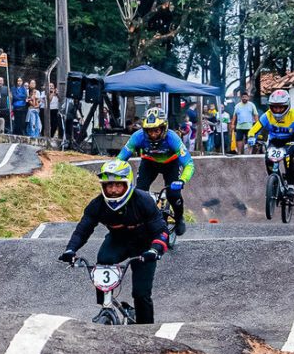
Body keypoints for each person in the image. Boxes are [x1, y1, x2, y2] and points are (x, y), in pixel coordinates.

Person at [58, 160, 169, 325]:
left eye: (118, 185)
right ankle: (105, 305)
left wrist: (155, 249)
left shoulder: (143, 200)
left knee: (141, 294)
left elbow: (162, 231)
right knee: (103, 260)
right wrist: (70, 250)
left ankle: (147, 330)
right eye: (109, 186)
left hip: (145, 245)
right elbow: (83, 230)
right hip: (118, 240)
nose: (113, 190)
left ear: (127, 184)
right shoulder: (97, 205)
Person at [117, 107, 194, 235]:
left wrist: (182, 180)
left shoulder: (172, 138)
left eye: (156, 130)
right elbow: (120, 159)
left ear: (164, 128)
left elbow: (189, 164)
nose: (152, 134)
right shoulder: (138, 137)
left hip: (171, 164)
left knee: (173, 194)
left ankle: (179, 218)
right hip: (149, 163)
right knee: (139, 193)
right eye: (149, 131)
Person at [247, 89, 294, 198]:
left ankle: (291, 185)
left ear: (287, 106)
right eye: (274, 107)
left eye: (281, 107)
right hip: (275, 142)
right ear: (270, 106)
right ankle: (274, 182)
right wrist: (251, 137)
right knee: (268, 158)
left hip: (291, 142)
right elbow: (254, 129)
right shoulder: (267, 115)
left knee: (287, 157)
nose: (277, 110)